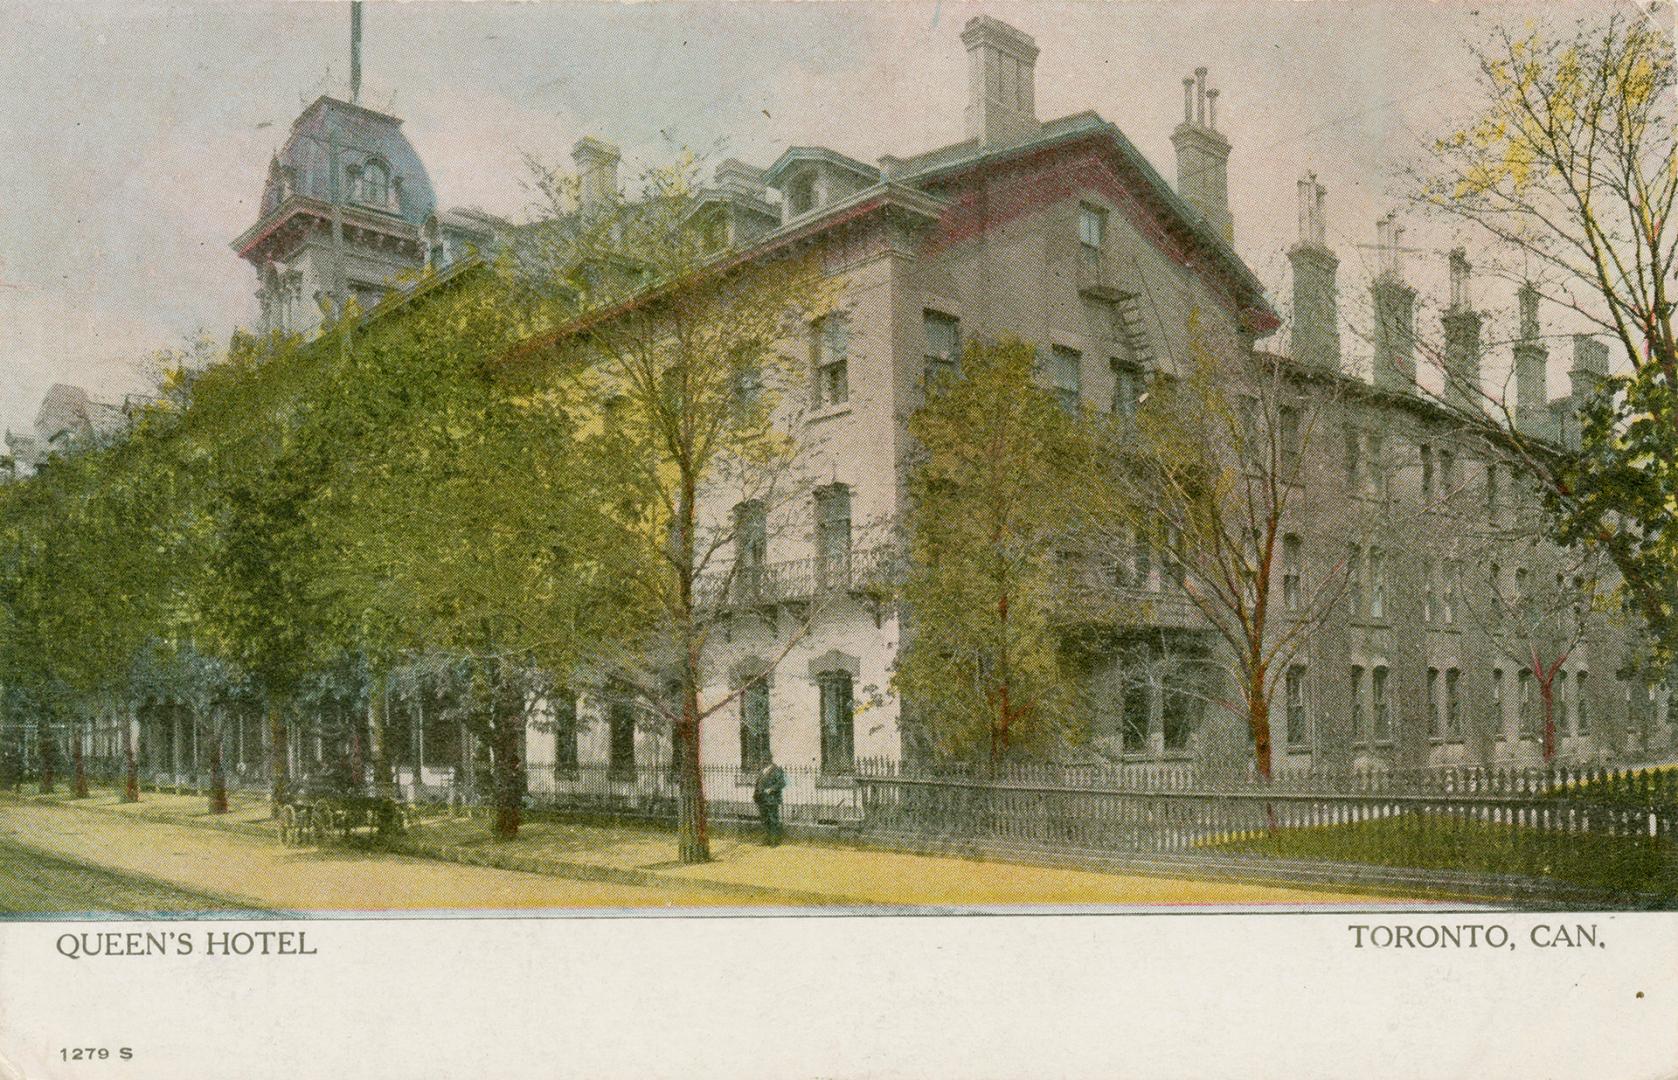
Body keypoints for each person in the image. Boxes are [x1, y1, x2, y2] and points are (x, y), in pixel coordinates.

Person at [751, 758, 786, 846]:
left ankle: (774, 841)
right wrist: (756, 794)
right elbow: (758, 783)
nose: (763, 761)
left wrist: (771, 789)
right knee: (764, 820)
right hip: (762, 799)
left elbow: (782, 783)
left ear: (770, 759)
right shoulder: (762, 770)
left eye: (765, 759)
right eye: (762, 759)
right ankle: (767, 840)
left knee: (773, 820)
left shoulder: (777, 770)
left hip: (772, 799)